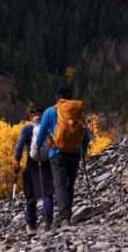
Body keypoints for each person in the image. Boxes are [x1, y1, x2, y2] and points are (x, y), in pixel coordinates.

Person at [34, 86, 92, 228]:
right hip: (75, 153)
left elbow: (41, 133)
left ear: (57, 97)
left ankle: (65, 219)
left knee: (60, 186)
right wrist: (82, 151)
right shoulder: (76, 112)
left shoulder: (50, 111)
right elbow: (87, 135)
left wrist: (38, 149)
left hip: (57, 153)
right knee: (69, 186)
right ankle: (68, 216)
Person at [13, 105, 53, 233]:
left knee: (31, 194)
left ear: (31, 116)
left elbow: (19, 147)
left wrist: (16, 161)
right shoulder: (49, 127)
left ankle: (31, 225)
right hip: (47, 161)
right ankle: (48, 223)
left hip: (32, 163)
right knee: (48, 193)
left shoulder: (27, 128)